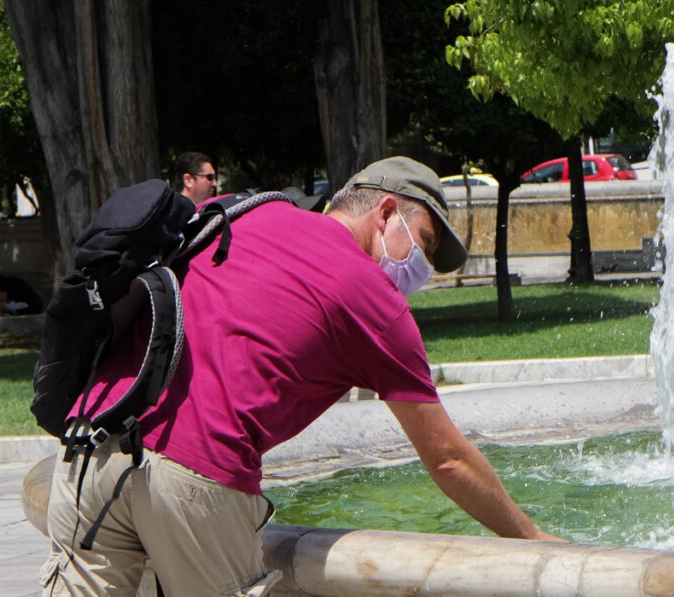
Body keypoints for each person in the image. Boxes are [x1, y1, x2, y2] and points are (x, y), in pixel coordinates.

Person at [41, 156, 561, 596]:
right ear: (385, 213)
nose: (420, 267)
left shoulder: (244, 211)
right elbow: (448, 460)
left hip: (93, 446)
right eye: (421, 242)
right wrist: (531, 538)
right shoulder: (374, 301)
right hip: (196, 477)